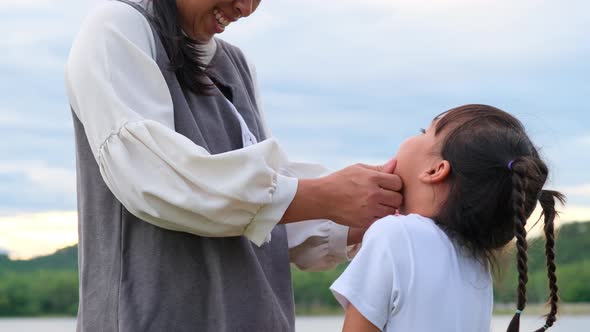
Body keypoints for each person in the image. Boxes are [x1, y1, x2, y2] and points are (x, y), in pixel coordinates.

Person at [65, 0, 404, 331]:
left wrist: (372, 210)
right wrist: (322, 196)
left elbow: (267, 210)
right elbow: (157, 181)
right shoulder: (117, 27)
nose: (246, 8)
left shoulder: (236, 65)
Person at [330, 105, 564, 332]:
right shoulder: (475, 260)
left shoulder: (394, 234)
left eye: (425, 131)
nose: (415, 136)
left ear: (435, 170)